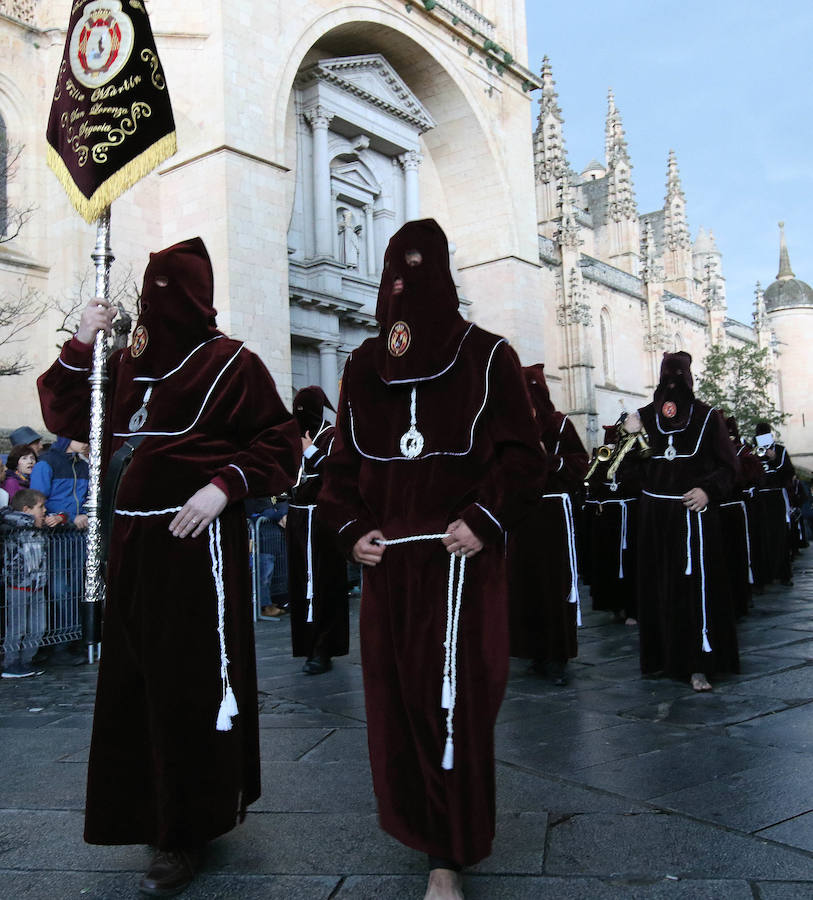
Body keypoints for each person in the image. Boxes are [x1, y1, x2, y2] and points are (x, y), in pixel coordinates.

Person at [37, 237, 301, 896]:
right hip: (130, 548)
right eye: (147, 289)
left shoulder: (231, 363)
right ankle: (142, 813)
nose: (153, 302)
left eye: (166, 289)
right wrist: (79, 341)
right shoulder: (123, 364)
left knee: (188, 691)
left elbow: (280, 442)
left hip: (194, 555)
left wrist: (224, 486)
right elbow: (66, 412)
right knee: (133, 692)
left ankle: (185, 829)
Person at [318, 219, 546, 900]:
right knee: (398, 710)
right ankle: (423, 835)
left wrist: (483, 517)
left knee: (458, 707)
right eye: (393, 272)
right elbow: (339, 471)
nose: (400, 286)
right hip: (389, 572)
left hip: (462, 568)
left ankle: (450, 850)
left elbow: (521, 457)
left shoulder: (487, 354)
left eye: (415, 271)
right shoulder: (361, 366)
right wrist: (350, 528)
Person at [625, 352, 739, 692]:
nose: (671, 385)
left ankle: (698, 664)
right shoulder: (643, 417)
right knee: (657, 587)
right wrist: (629, 437)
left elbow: (729, 467)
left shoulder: (707, 417)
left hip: (694, 519)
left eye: (678, 377)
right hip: (655, 520)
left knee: (693, 591)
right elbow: (626, 472)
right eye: (666, 377)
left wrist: (707, 490)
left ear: (688, 379)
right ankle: (662, 659)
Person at [508, 364, 588, 686]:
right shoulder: (511, 428)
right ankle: (533, 650)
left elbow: (581, 463)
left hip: (554, 513)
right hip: (521, 516)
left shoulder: (560, 424)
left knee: (554, 583)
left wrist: (550, 461)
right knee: (524, 583)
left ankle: (557, 655)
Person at [287, 385, 349, 675]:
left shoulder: (332, 436)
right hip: (298, 521)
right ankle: (307, 645)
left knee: (324, 584)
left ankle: (325, 647)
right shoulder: (295, 435)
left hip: (321, 521)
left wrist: (310, 451)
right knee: (300, 586)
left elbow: (336, 475)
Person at [583, 419, 644, 625]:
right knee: (608, 560)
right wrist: (602, 458)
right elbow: (591, 479)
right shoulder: (607, 451)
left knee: (630, 561)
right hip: (609, 515)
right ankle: (615, 605)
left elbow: (640, 479)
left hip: (630, 515)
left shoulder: (639, 449)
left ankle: (634, 608)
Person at [1, 489, 48, 678]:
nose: (44, 511)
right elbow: (14, 518)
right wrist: (33, 521)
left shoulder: (39, 524)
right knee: (17, 627)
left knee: (38, 626)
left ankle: (27, 660)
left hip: (37, 583)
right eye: (40, 507)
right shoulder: (14, 524)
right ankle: (10, 663)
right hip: (18, 584)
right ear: (26, 509)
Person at [753, 422, 795, 586]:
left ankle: (783, 573)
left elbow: (789, 472)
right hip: (759, 498)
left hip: (776, 496)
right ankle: (764, 574)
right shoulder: (753, 451)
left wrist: (775, 460)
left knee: (779, 535)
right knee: (761, 536)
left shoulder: (780, 451)